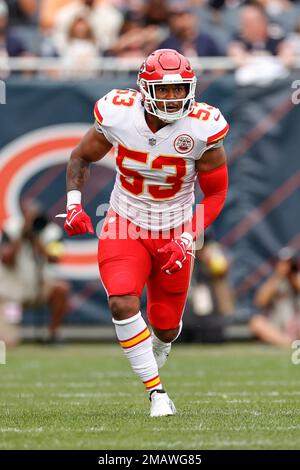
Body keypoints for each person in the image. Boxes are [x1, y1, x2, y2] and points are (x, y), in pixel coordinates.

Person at [61, 48, 229, 417]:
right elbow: (80, 156)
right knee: (121, 301)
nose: (173, 97)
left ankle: (160, 343)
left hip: (175, 231)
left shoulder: (202, 127)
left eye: (179, 89)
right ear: (145, 89)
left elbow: (216, 192)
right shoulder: (119, 113)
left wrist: (188, 237)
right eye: (164, 90)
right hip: (125, 222)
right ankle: (157, 394)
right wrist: (74, 203)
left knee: (166, 328)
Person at [0, 199, 70, 344]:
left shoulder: (51, 231)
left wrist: (36, 239)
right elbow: (6, 260)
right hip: (11, 295)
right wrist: (21, 235)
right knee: (8, 342)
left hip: (38, 288)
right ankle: (11, 332)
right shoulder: (11, 228)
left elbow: (54, 259)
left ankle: (53, 334)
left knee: (61, 289)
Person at [251, 247, 300, 347]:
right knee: (257, 322)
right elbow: (260, 301)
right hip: (278, 325)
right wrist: (278, 276)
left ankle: (288, 342)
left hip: (296, 323)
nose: (286, 267)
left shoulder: (296, 279)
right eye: (282, 263)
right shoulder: (274, 281)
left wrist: (293, 277)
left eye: (288, 264)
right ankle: (288, 343)